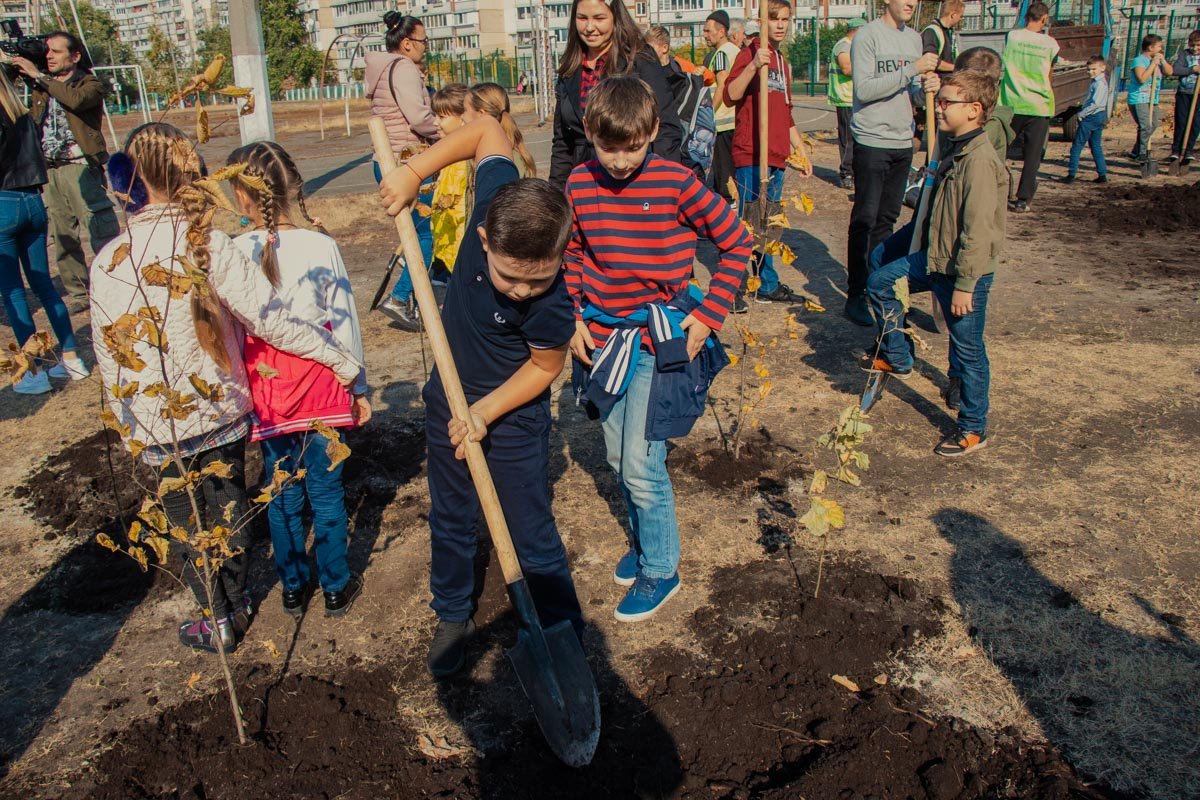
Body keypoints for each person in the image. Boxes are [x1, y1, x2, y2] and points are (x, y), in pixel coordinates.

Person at [93, 123, 361, 653]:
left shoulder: (109, 259)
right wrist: (338, 358)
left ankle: (214, 615)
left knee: (186, 525)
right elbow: (269, 320)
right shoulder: (210, 245)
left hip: (157, 424)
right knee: (228, 510)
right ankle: (233, 603)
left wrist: (127, 422)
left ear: (132, 181)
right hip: (218, 414)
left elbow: (108, 352)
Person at [379, 117, 585, 677]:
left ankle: (561, 625)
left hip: (512, 416)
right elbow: (488, 131)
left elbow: (545, 367)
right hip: (448, 397)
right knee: (451, 513)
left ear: (562, 255)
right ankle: (452, 613)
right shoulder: (494, 201)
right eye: (511, 278)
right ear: (484, 239)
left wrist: (487, 412)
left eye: (537, 280)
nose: (522, 291)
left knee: (528, 523)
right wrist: (413, 173)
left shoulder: (552, 303)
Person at [563, 77, 751, 621]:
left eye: (633, 147)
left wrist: (709, 311)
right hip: (604, 339)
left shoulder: (676, 182)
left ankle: (661, 569)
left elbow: (736, 241)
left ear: (651, 133)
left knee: (643, 465)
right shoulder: (578, 184)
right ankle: (647, 542)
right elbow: (573, 253)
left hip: (656, 337)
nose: (620, 161)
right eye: (608, 147)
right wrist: (574, 312)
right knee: (620, 456)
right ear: (591, 135)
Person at [226, 141, 369, 620]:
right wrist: (358, 384)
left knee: (280, 488)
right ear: (295, 187)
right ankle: (335, 585)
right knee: (326, 492)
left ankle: (292, 586)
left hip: (268, 388)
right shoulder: (321, 245)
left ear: (242, 196)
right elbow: (344, 320)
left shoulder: (232, 252)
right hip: (322, 383)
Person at [864, 70, 1006, 457]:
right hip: (935, 259)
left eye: (947, 103)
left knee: (968, 349)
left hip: (963, 271)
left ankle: (973, 427)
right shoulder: (957, 148)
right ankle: (898, 356)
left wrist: (965, 285)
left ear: (974, 110)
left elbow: (977, 231)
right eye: (938, 101)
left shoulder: (979, 161)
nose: (939, 108)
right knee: (880, 282)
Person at [845, 0, 940, 326]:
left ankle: (880, 290)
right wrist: (911, 70)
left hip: (903, 142)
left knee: (888, 220)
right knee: (865, 219)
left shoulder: (914, 39)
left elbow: (912, 91)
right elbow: (865, 89)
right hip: (872, 140)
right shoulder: (868, 37)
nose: (911, 3)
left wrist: (927, 86)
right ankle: (856, 293)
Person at [9, 31, 119, 313]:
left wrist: (40, 76)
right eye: (47, 52)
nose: (49, 57)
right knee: (63, 236)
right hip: (51, 170)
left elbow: (76, 101)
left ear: (75, 55)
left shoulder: (89, 83)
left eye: (56, 52)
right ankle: (79, 293)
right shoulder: (41, 85)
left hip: (81, 167)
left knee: (99, 227)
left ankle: (119, 282)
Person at [0, 66, 89, 395]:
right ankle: (71, 357)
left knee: (13, 293)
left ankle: (32, 372)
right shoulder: (21, 113)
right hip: (33, 201)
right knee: (45, 287)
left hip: (4, 204)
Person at [724, 0, 812, 307]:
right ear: (762, 21)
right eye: (774, 18)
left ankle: (766, 285)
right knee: (747, 222)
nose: (780, 25)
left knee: (770, 224)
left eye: (785, 19)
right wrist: (752, 65)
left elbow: (785, 114)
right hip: (751, 153)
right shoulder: (750, 54)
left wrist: (799, 149)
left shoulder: (782, 62)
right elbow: (730, 94)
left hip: (775, 154)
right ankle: (731, 288)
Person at [549, 0, 682, 188]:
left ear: (615, 17)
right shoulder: (569, 68)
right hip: (585, 182)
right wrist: (555, 198)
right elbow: (562, 142)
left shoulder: (639, 59)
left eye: (599, 18)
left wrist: (663, 185)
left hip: (634, 176)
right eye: (582, 18)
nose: (589, 27)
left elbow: (666, 127)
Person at [366, 11, 440, 331]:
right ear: (407, 43)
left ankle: (414, 300)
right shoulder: (404, 68)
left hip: (388, 162)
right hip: (406, 161)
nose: (427, 47)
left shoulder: (384, 69)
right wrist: (451, 135)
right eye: (424, 41)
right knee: (427, 235)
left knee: (415, 233)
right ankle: (400, 297)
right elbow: (420, 118)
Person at [1000, 1, 1059, 212]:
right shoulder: (1051, 44)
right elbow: (1050, 73)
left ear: (1026, 17)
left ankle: (995, 189)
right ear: (1044, 19)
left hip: (1012, 102)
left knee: (1001, 148)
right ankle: (1023, 199)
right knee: (1033, 155)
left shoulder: (1012, 37)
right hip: (1039, 105)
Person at [646, 25, 716, 179]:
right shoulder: (647, 70)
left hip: (681, 134)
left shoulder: (679, 65)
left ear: (664, 48)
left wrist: (701, 72)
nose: (647, 54)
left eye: (650, 49)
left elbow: (709, 77)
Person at [430, 84, 472, 274]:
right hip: (444, 248)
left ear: (462, 118)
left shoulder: (466, 160)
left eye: (441, 117)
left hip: (460, 251)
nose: (435, 123)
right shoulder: (448, 153)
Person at [704, 10, 743, 204]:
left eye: (708, 31)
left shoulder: (721, 54)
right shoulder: (735, 51)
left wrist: (708, 112)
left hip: (722, 121)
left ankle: (729, 207)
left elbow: (721, 86)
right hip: (733, 119)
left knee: (723, 172)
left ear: (721, 32)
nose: (705, 35)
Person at [467, 82, 537, 178]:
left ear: (481, 114)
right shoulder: (508, 153)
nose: (461, 117)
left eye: (464, 110)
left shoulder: (497, 163)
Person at [828, 19, 865, 190]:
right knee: (848, 139)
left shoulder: (853, 46)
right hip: (845, 98)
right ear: (857, 31)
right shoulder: (843, 46)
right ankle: (846, 173)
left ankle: (855, 171)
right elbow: (846, 68)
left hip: (855, 98)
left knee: (857, 137)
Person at [1062, 56, 1108, 184]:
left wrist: (1081, 114)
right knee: (1095, 146)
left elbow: (1096, 104)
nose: (1091, 72)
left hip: (1091, 117)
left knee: (1077, 146)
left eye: (1094, 69)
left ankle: (1071, 175)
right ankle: (1102, 174)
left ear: (1102, 68)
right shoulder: (1098, 81)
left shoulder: (1099, 84)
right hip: (1099, 116)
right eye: (1088, 70)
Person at [1127, 35, 1172, 163]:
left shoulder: (1158, 61)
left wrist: (1162, 61)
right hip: (1139, 99)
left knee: (1153, 125)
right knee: (1145, 126)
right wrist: (1153, 64)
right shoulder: (1139, 61)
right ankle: (1141, 154)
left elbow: (1169, 72)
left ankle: (1135, 151)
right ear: (1150, 47)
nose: (1161, 48)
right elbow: (1142, 78)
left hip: (1153, 99)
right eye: (1159, 46)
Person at [1169, 30, 1200, 166]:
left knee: (1196, 123)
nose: (1195, 48)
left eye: (1198, 45)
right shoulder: (1184, 55)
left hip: (1198, 95)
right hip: (1184, 93)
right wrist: (1193, 69)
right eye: (1192, 45)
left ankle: (1188, 150)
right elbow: (1176, 70)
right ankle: (1176, 150)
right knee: (1181, 121)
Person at [922, 0, 965, 74]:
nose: (961, 19)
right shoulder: (932, 31)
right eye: (960, 16)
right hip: (937, 81)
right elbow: (931, 61)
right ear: (953, 15)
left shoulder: (949, 32)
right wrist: (956, 68)